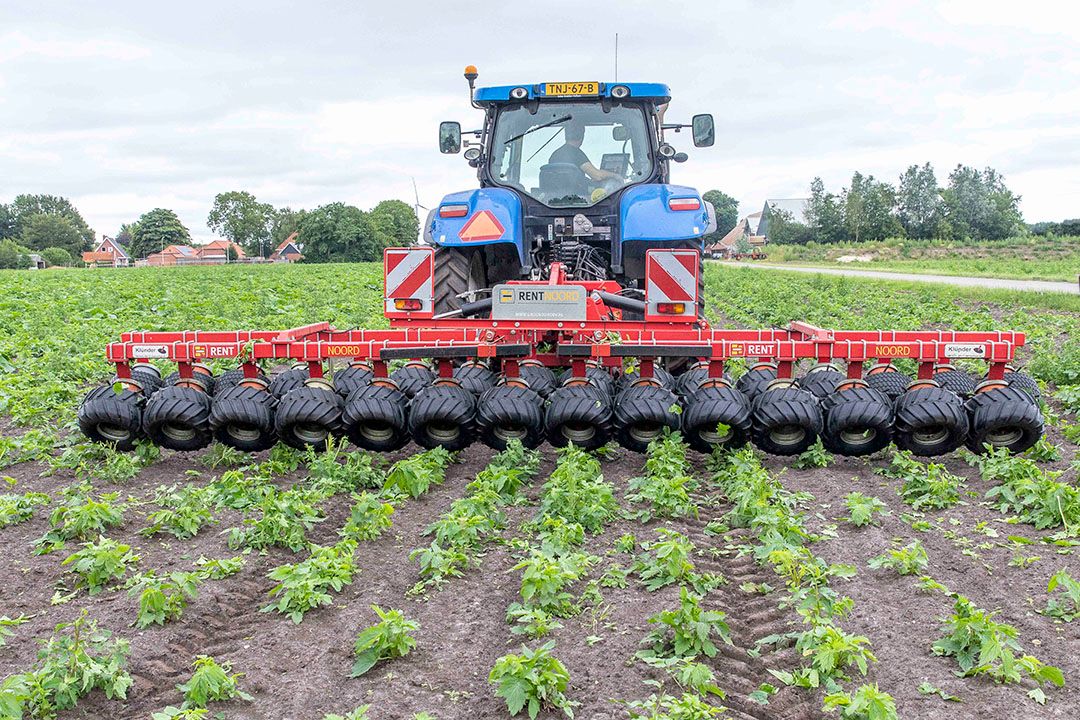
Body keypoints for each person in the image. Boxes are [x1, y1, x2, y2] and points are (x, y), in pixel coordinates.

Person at [548, 122, 620, 183]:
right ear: (581, 136)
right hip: (576, 197)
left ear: (566, 136)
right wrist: (616, 176)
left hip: (555, 197)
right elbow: (597, 176)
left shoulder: (554, 155)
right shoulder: (576, 153)